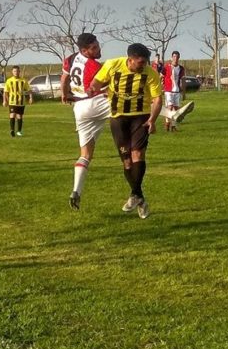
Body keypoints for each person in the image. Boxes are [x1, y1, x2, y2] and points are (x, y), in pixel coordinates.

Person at [88, 43, 162, 220]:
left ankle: (134, 195)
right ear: (130, 59)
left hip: (140, 117)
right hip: (118, 118)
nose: (143, 65)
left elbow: (157, 99)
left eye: (145, 62)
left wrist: (152, 119)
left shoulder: (150, 74)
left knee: (138, 154)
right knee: (127, 162)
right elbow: (97, 81)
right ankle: (139, 197)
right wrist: (93, 87)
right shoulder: (112, 65)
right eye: (140, 62)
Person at [60, 33, 109, 210]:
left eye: (98, 45)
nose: (98, 49)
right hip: (94, 104)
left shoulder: (71, 59)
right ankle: (171, 115)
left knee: (85, 154)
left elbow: (65, 78)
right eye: (94, 48)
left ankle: (76, 192)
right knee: (131, 102)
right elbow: (105, 85)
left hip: (79, 109)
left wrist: (64, 94)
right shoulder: (94, 65)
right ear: (84, 50)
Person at [2, 65, 32, 137]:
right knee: (12, 114)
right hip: (12, 101)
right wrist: (5, 100)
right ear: (12, 72)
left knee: (19, 116)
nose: (16, 72)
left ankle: (19, 131)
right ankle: (12, 130)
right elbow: (5, 92)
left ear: (19, 72)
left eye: (17, 71)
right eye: (15, 71)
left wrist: (31, 98)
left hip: (21, 101)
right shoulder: (9, 81)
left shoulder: (23, 81)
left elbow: (29, 90)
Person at [162, 51, 187, 131]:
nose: (175, 58)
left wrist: (184, 93)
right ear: (172, 57)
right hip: (168, 91)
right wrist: (159, 88)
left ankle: (173, 126)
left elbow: (183, 80)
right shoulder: (166, 67)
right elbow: (160, 77)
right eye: (174, 56)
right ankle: (167, 122)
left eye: (177, 57)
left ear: (179, 58)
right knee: (169, 107)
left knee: (176, 109)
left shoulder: (181, 68)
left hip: (177, 91)